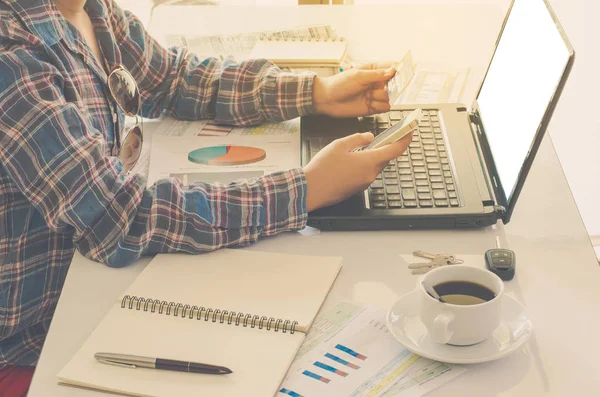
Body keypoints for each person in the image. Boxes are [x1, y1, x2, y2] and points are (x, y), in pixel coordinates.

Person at [0, 0, 411, 394]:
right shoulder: (12, 58)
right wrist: (305, 191)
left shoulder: (90, 11)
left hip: (88, 288)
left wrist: (316, 92)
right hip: (31, 348)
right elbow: (119, 217)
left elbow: (173, 79)